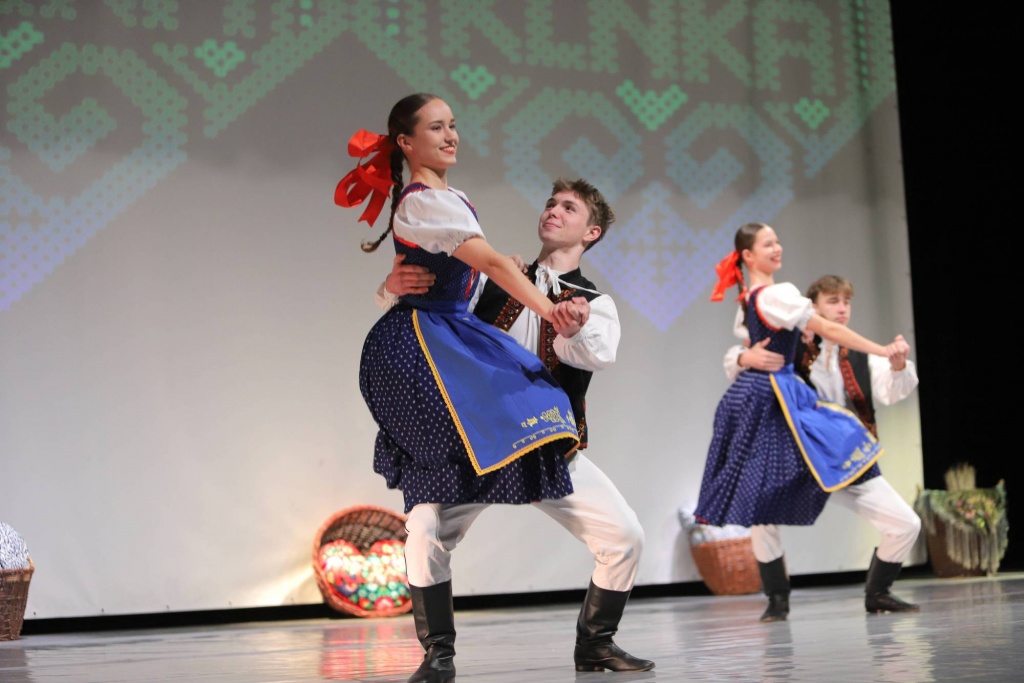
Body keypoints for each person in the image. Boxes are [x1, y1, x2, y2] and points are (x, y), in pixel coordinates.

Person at [336, 93, 584, 683]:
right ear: (405, 142)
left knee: (521, 416)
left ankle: (440, 651)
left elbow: (468, 271)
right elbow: (491, 266)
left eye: (453, 126)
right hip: (421, 350)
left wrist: (407, 282)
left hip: (449, 337)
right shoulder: (425, 202)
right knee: (434, 493)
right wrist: (549, 311)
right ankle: (437, 651)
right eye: (436, 127)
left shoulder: (446, 199)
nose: (450, 136)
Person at [377, 177, 654, 673]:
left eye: (569, 208)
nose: (554, 211)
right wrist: (389, 287)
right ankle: (438, 654)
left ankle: (595, 643)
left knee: (625, 536)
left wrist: (573, 327)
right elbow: (432, 312)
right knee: (424, 527)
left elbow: (592, 355)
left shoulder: (594, 304)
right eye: (551, 203)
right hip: (480, 441)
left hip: (546, 444)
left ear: (591, 233)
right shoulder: (492, 278)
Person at [693, 223, 911, 623]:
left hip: (838, 451)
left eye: (846, 302)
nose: (841, 309)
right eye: (832, 301)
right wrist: (744, 357)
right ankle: (777, 599)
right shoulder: (781, 311)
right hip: (797, 439)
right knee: (761, 512)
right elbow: (747, 349)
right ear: (811, 306)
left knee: (906, 523)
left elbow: (891, 388)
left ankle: (878, 593)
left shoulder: (855, 354)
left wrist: (891, 359)